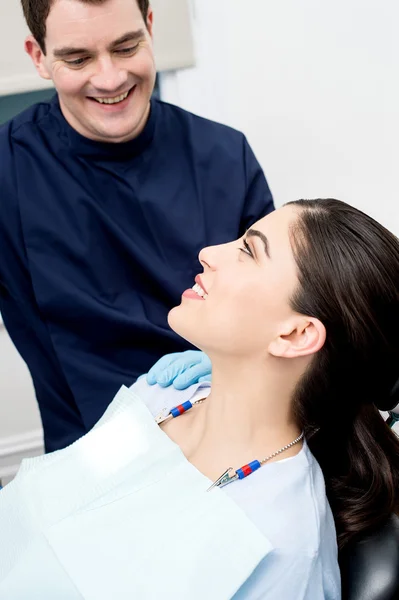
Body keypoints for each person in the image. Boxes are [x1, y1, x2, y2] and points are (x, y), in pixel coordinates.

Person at [1, 198, 399, 599]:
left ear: (295, 335)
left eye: (248, 250)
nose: (208, 253)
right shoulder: (160, 394)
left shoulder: (283, 548)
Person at [0, 0, 274, 453]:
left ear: (150, 28)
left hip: (237, 440)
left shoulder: (225, 156)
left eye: (126, 47)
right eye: (78, 58)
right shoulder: (9, 171)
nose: (109, 79)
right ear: (38, 57)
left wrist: (225, 363)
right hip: (94, 462)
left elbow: (280, 311)